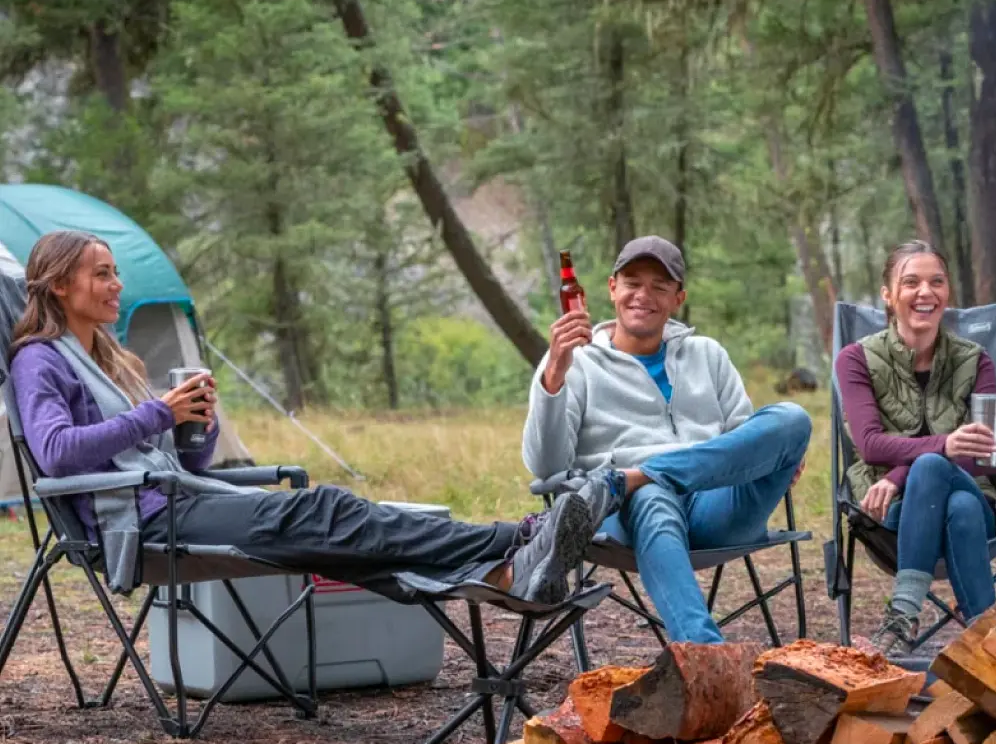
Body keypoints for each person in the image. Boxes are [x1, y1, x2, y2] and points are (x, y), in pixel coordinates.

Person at [8, 230, 594, 604]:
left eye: (115, 271)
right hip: (140, 528)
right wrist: (157, 413)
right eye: (102, 274)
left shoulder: (107, 359)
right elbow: (56, 455)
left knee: (331, 533)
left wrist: (197, 426)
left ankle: (502, 576)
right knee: (327, 511)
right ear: (61, 285)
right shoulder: (38, 360)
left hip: (179, 501)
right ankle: (511, 538)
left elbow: (186, 461)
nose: (117, 285)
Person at [522, 235, 811, 643]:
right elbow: (546, 467)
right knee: (652, 495)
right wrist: (553, 374)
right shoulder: (576, 362)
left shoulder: (708, 355)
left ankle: (639, 475)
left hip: (716, 506)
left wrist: (771, 456)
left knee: (792, 417)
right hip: (626, 514)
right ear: (611, 289)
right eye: (633, 283)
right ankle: (705, 654)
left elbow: (742, 439)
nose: (644, 295)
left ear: (679, 298)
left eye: (660, 286)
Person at [835, 240, 996, 654]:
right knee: (956, 507)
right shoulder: (856, 359)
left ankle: (902, 616)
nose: (925, 292)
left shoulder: (975, 360)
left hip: (978, 499)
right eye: (911, 282)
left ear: (947, 293)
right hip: (887, 513)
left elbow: (986, 457)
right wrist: (945, 445)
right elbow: (870, 445)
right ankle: (990, 645)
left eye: (936, 282)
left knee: (945, 484)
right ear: (888, 295)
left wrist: (901, 471)